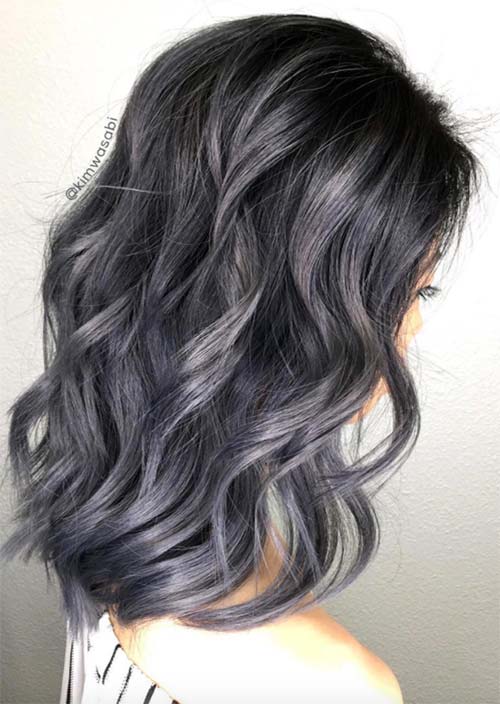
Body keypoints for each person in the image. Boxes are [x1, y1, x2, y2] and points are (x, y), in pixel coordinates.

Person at [1, 12, 483, 704]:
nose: (414, 324)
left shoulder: (123, 516)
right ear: (293, 312)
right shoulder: (336, 690)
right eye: (412, 290)